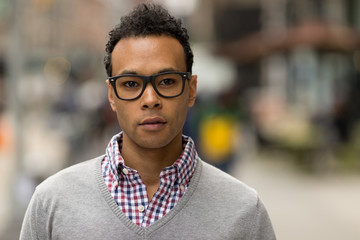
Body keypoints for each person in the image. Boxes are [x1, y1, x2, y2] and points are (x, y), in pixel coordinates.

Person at [20, 3, 276, 239]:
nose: (150, 99)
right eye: (131, 84)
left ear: (191, 90)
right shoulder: (52, 202)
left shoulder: (244, 211)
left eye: (166, 81)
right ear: (111, 96)